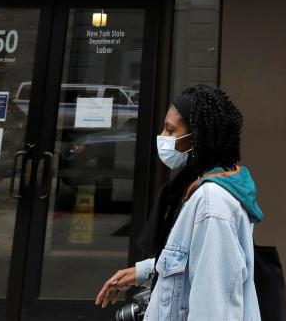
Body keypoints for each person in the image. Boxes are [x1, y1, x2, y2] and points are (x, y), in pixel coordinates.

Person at [95, 85, 262, 320]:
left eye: (170, 130)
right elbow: (192, 264)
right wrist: (143, 272)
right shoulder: (199, 187)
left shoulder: (211, 204)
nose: (162, 137)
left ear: (197, 138)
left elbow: (212, 309)